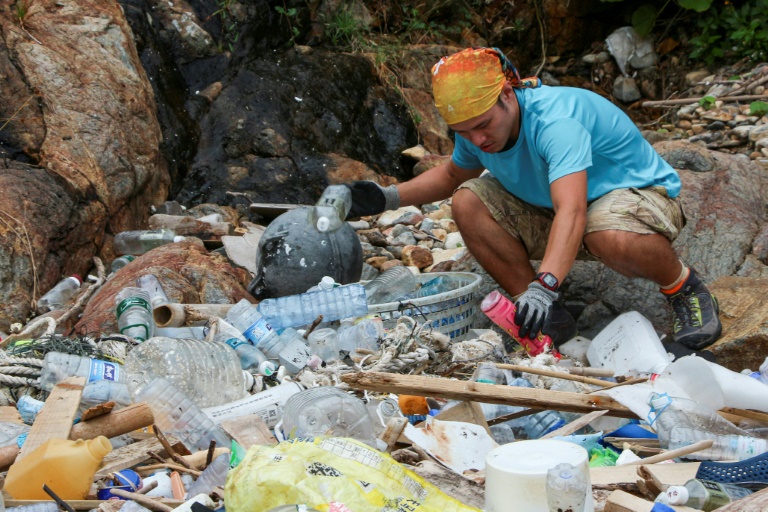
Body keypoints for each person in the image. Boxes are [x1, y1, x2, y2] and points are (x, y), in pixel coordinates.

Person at [343, 46, 722, 351]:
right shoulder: (476, 124)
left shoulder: (555, 123)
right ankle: (548, 318)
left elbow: (572, 212)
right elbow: (452, 175)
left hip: (634, 199)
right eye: (463, 131)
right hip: (557, 209)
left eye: (483, 126)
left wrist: (547, 283)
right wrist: (385, 197)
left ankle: (683, 288)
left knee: (602, 231)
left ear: (507, 94)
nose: (477, 140)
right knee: (467, 202)